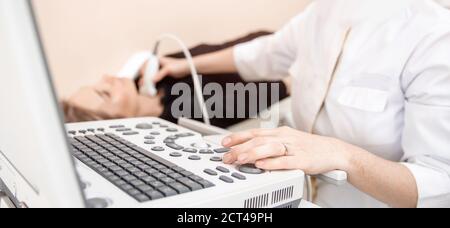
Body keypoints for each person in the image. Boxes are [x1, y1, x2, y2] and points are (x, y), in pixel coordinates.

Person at [151, 0, 450, 208]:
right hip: (297, 195)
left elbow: (439, 184)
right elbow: (264, 53)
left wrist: (340, 154)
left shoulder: (435, 37)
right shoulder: (324, 12)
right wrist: (179, 65)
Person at [62, 32, 290, 128]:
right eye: (105, 93)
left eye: (97, 83)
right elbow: (278, 88)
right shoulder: (184, 114)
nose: (108, 78)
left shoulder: (158, 75)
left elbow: (219, 49)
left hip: (276, 42)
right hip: (288, 64)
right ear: (119, 121)